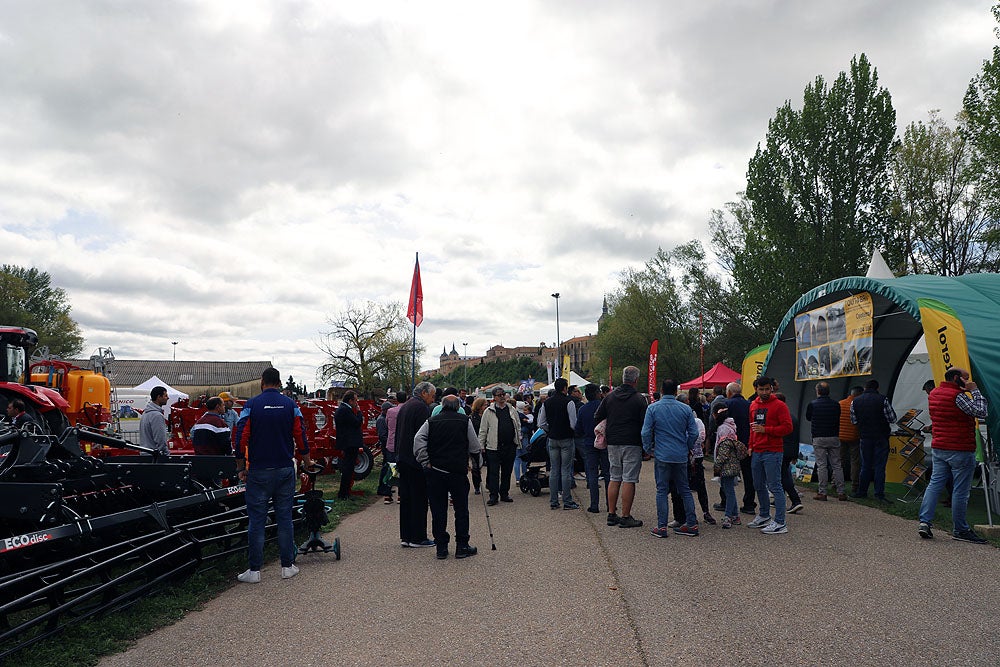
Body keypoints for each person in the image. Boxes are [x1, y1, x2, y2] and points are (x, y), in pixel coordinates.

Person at [233, 368, 312, 583]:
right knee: (285, 518)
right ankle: (287, 566)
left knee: (257, 520)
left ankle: (254, 571)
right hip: (285, 469)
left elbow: (241, 438)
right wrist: (307, 462)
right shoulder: (292, 405)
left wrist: (240, 467)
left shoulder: (251, 405)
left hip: (259, 470)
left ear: (262, 382)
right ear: (278, 383)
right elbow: (301, 435)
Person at [918, 368, 989, 544]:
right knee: (961, 490)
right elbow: (981, 412)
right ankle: (960, 529)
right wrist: (974, 390)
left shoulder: (934, 393)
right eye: (966, 378)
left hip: (940, 446)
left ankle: (924, 522)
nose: (968, 380)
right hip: (960, 448)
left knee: (934, 484)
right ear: (957, 378)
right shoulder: (958, 396)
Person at [413, 395, 481, 559]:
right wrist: (477, 463)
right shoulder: (465, 420)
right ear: (458, 406)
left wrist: (425, 461)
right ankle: (462, 546)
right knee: (461, 510)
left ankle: (441, 547)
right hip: (457, 472)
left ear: (442, 406)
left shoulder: (431, 421)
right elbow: (474, 446)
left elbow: (418, 439)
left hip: (436, 471)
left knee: (438, 510)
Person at [643, 379, 700, 537]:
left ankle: (661, 527)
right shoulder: (685, 409)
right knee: (685, 489)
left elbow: (645, 432)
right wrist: (687, 446)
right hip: (680, 454)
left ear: (661, 390)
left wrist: (648, 449)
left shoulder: (653, 408)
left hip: (662, 454)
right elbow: (694, 433)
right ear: (676, 392)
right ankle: (691, 523)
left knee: (661, 490)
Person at [594, 366, 648, 527]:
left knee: (614, 477)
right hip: (632, 441)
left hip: (613, 441)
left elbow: (597, 416)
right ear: (636, 380)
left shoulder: (610, 398)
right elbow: (644, 423)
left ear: (623, 378)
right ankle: (626, 516)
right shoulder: (639, 399)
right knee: (629, 479)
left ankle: (611, 513)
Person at [747, 377, 793, 534]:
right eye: (761, 389)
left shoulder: (779, 405)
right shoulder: (753, 405)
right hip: (757, 451)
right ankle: (764, 515)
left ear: (772, 388)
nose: (765, 392)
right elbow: (752, 428)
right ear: (756, 389)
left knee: (774, 485)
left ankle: (780, 521)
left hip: (773, 451)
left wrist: (766, 430)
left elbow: (787, 428)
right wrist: (750, 446)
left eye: (767, 389)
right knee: (758, 485)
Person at [395, 381, 437, 548]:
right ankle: (418, 537)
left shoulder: (405, 406)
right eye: (432, 395)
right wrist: (427, 459)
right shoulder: (421, 408)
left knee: (406, 498)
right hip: (414, 460)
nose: (433, 398)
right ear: (424, 393)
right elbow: (423, 436)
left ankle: (406, 536)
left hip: (403, 457)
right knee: (419, 499)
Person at [850, 379, 897, 503]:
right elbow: (892, 418)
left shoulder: (855, 401)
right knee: (879, 467)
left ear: (865, 388)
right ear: (877, 388)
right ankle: (879, 494)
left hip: (865, 437)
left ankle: (862, 491)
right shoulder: (883, 399)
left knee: (865, 465)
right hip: (881, 437)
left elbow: (854, 421)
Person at [538, 378, 579, 510]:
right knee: (566, 470)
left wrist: (550, 430)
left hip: (552, 438)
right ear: (565, 388)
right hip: (566, 437)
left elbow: (541, 423)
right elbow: (573, 423)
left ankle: (554, 501)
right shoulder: (569, 402)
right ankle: (567, 500)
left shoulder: (547, 403)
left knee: (554, 470)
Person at [478, 387, 521, 506]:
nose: (502, 396)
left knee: (507, 471)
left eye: (503, 394)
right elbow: (483, 430)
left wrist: (518, 438)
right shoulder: (489, 411)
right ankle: (493, 495)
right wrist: (481, 445)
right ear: (494, 398)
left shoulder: (511, 409)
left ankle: (504, 493)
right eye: (499, 395)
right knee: (494, 472)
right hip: (494, 447)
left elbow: (517, 424)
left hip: (510, 445)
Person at [807, 382, 846, 501]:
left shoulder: (813, 404)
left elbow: (808, 417)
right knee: (837, 465)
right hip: (833, 436)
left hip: (819, 437)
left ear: (818, 391)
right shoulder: (836, 404)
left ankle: (822, 492)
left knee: (822, 465)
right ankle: (841, 492)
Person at [721, 382, 755, 515]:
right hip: (746, 443)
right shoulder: (749, 405)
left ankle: (725, 501)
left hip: (730, 443)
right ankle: (749, 503)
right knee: (748, 475)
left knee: (726, 473)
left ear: (729, 392)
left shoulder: (727, 405)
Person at [576, 383, 610, 514]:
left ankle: (594, 504)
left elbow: (578, 429)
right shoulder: (605, 407)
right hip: (605, 442)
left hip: (589, 443)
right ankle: (610, 504)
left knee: (592, 473)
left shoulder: (583, 410)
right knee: (607, 473)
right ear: (598, 393)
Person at [712, 403, 744, 528]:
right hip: (731, 463)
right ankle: (735, 515)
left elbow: (724, 449)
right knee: (728, 489)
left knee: (728, 491)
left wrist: (718, 464)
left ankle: (728, 516)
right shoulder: (729, 426)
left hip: (726, 464)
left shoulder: (723, 429)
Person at [775, 392, 804, 514]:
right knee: (784, 474)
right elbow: (797, 437)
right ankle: (780, 499)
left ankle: (795, 500)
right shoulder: (793, 417)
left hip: (781, 449)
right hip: (790, 450)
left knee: (783, 476)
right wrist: (795, 454)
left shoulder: (780, 418)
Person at [334, 390, 365, 500]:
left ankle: (345, 492)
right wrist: (359, 412)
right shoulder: (345, 410)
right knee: (348, 469)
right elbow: (356, 422)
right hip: (350, 443)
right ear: (350, 400)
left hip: (347, 442)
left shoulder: (342, 409)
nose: (356, 403)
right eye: (355, 400)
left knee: (348, 468)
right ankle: (344, 493)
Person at [383, 392, 407, 504]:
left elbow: (387, 424)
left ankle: (387, 495)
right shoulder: (407, 410)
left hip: (391, 442)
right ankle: (401, 496)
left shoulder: (390, 411)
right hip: (403, 444)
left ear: (396, 400)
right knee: (403, 470)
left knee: (390, 469)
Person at [839, 386, 863, 492]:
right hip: (854, 437)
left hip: (840, 436)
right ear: (858, 394)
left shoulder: (840, 403)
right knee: (855, 461)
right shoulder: (860, 405)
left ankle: (836, 482)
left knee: (839, 461)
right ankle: (855, 485)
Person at [139, 386, 170, 456]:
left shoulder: (145, 413)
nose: (168, 398)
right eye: (165, 396)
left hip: (145, 454)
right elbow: (160, 439)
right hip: (154, 457)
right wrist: (165, 454)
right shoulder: (157, 416)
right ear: (159, 397)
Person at [375, 401, 394, 503]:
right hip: (386, 446)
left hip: (386, 445)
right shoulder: (382, 420)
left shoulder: (382, 419)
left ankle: (384, 487)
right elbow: (382, 435)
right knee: (386, 468)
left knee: (386, 467)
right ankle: (383, 488)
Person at [469, 397, 488, 494]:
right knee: (476, 466)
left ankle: (489, 483)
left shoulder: (488, 415)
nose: (486, 406)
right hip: (475, 444)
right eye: (485, 405)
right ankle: (477, 486)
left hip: (487, 443)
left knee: (490, 464)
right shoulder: (472, 417)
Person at [516, 401, 534, 482]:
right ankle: (524, 474)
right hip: (525, 437)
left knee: (517, 458)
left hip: (517, 437)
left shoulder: (515, 415)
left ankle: (517, 478)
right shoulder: (525, 416)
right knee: (524, 456)